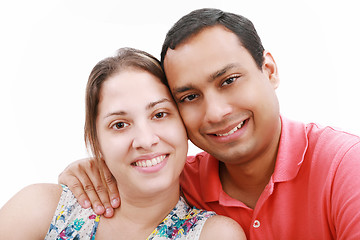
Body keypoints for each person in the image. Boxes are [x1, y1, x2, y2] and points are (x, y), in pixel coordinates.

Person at [58, 8, 360, 239]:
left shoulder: (345, 167)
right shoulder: (181, 181)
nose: (215, 113)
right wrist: (90, 171)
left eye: (229, 80)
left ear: (268, 70)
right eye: (190, 97)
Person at [0, 47, 245, 239]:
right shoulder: (41, 208)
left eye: (159, 114)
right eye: (119, 124)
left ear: (184, 125)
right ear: (96, 143)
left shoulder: (213, 234)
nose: (146, 140)